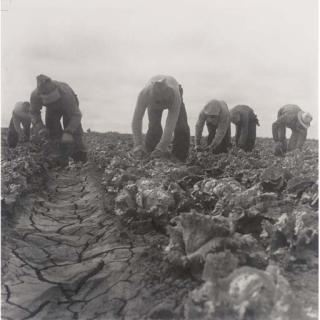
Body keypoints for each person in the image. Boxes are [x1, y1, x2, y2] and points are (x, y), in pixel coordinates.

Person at [131, 75, 190, 161]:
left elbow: (170, 124)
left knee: (181, 126)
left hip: (173, 94)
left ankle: (179, 157)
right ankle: (150, 155)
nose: (161, 104)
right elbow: (137, 119)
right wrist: (138, 144)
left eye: (163, 101)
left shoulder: (175, 96)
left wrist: (161, 148)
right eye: (159, 101)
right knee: (154, 126)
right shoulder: (144, 94)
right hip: (152, 100)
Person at [30, 74, 87, 162]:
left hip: (68, 107)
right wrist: (40, 127)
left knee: (74, 133)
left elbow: (76, 115)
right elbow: (34, 113)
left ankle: (80, 159)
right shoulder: (35, 96)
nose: (53, 103)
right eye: (48, 100)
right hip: (51, 110)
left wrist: (69, 131)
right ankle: (59, 159)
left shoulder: (66, 94)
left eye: (53, 99)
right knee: (52, 132)